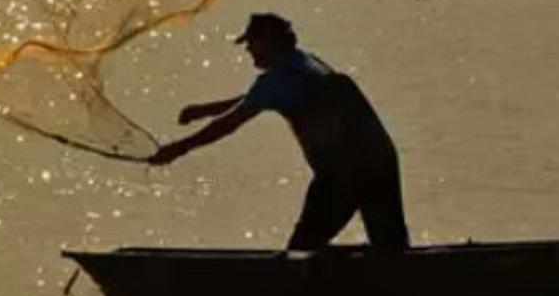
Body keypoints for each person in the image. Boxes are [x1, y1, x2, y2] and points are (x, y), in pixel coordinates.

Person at [149, 13, 410, 251]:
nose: (249, 49)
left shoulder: (277, 80)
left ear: (270, 41)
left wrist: (178, 148)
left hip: (343, 173)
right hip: (381, 160)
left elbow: (230, 123)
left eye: (253, 42)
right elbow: (255, 99)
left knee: (302, 249)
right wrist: (205, 110)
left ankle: (301, 295)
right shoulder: (306, 62)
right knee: (392, 251)